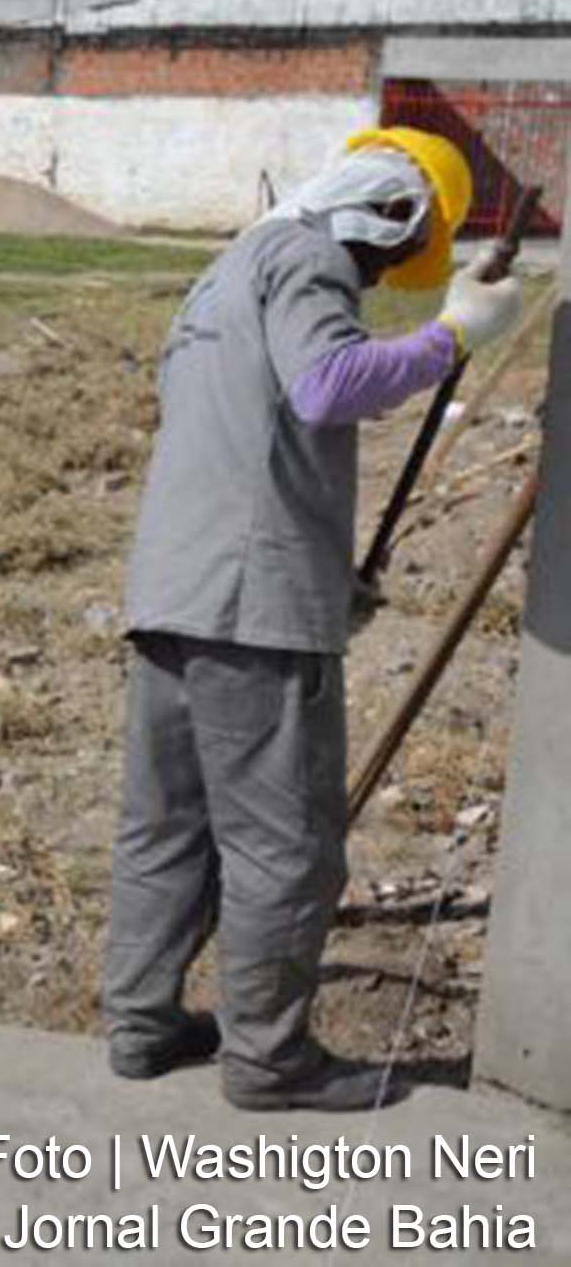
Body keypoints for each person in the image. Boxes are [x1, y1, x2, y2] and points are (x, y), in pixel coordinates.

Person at [101, 128, 523, 1112]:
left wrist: (318, 569)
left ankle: (141, 1023)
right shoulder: (310, 259)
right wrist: (452, 334)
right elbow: (327, 385)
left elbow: (248, 432)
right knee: (284, 846)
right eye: (387, 259)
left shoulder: (228, 269)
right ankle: (269, 1059)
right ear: (390, 217)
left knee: (166, 828)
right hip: (250, 611)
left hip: (175, 588)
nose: (376, 278)